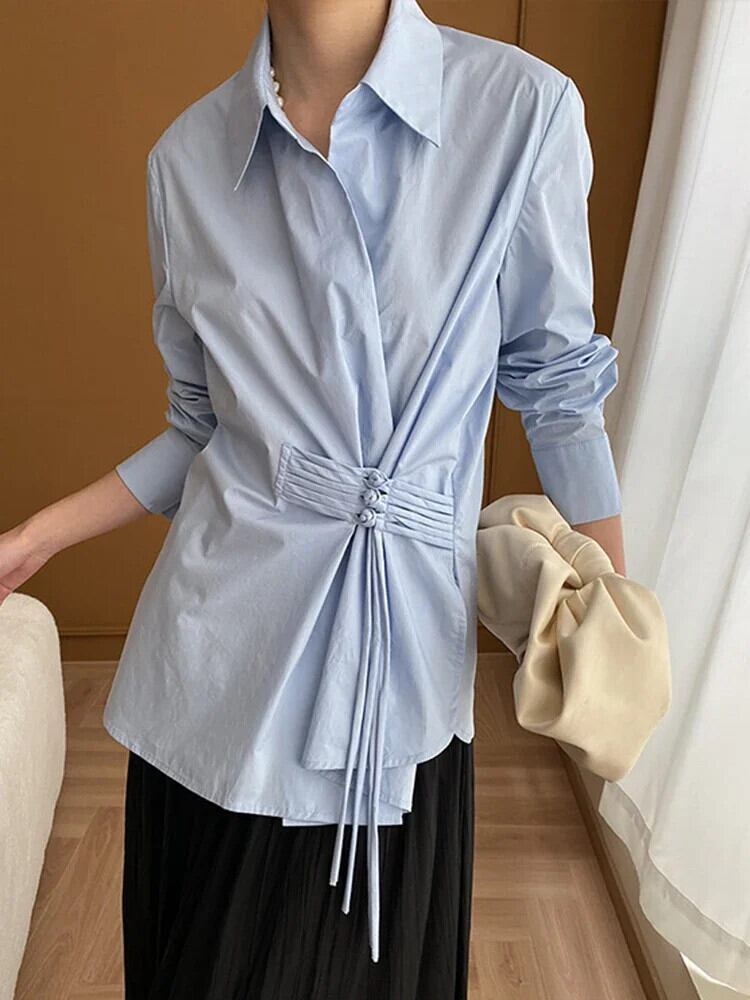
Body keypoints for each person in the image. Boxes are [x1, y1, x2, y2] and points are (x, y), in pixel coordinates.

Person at [0, 0, 627, 996]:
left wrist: (616, 618)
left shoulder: (519, 112)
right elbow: (205, 428)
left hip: (399, 686)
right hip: (213, 681)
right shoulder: (187, 161)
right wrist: (38, 535)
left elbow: (558, 391)